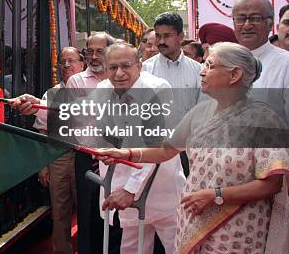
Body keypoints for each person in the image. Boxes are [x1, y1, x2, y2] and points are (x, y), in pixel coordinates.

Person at [98, 42, 289, 253]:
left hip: (238, 230)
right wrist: (126, 154)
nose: (201, 71)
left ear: (234, 75)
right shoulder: (201, 112)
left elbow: (272, 184)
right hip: (194, 220)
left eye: (210, 65)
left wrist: (216, 195)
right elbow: (166, 150)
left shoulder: (262, 119)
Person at [81, 42, 185, 254]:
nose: (119, 73)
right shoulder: (102, 90)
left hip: (159, 188)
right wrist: (34, 105)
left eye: (126, 66)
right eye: (113, 67)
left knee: (179, 248)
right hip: (119, 185)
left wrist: (130, 190)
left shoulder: (158, 89)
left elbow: (156, 146)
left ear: (139, 66)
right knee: (132, 249)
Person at [11, 47, 85, 254]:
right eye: (63, 62)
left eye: (72, 60)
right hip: (58, 157)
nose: (67, 65)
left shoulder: (94, 89)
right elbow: (43, 130)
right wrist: (43, 165)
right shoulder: (51, 94)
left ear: (82, 63)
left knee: (87, 211)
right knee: (60, 211)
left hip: (85, 158)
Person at [66, 33, 122, 254]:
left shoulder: (122, 78)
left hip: (120, 158)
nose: (94, 56)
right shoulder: (76, 81)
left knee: (117, 213)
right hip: (88, 158)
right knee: (89, 214)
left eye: (100, 51)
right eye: (90, 51)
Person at [231, 0, 289, 125]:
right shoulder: (220, 62)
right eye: (240, 18)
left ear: (270, 24)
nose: (247, 25)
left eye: (255, 19)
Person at [142, 13, 201, 129]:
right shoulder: (145, 69)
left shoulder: (198, 70)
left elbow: (202, 110)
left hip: (188, 141)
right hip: (154, 142)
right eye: (158, 36)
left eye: (167, 36)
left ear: (181, 36)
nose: (161, 41)